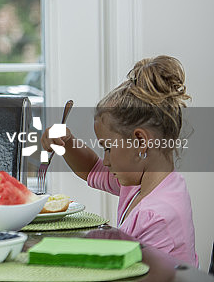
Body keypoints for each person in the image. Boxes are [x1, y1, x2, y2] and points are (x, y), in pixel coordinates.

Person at [41, 55, 197, 266]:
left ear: (140, 142)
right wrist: (67, 142)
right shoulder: (144, 184)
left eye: (108, 148)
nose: (105, 161)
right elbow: (91, 169)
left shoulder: (156, 216)